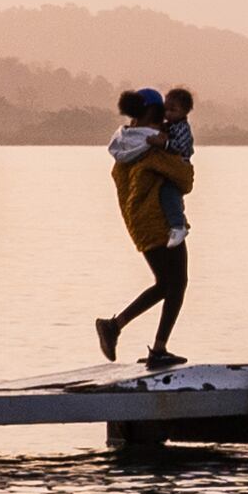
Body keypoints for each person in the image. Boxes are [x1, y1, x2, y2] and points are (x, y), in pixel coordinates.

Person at [94, 89, 197, 368]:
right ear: (154, 111)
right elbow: (186, 179)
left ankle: (115, 326)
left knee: (166, 284)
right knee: (177, 284)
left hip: (139, 225)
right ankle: (156, 347)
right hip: (162, 222)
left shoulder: (125, 145)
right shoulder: (152, 147)